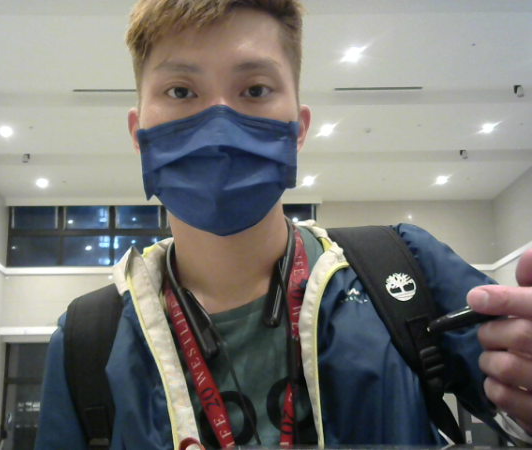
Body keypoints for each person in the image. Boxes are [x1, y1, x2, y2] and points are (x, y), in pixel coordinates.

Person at [34, 1, 532, 449]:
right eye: (181, 90)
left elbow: (518, 400)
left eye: (255, 89)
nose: (219, 126)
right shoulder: (88, 340)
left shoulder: (402, 270)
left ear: (299, 129)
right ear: (138, 132)